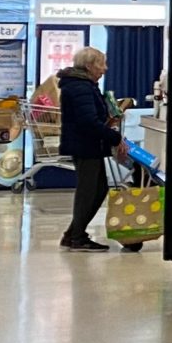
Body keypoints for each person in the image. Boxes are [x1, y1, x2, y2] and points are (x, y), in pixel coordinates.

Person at [56, 49, 126, 251]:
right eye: (101, 64)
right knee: (89, 191)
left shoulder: (83, 85)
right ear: (89, 66)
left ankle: (72, 234)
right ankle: (77, 237)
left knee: (98, 188)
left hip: (87, 145)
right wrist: (115, 137)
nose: (105, 68)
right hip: (85, 145)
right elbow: (88, 121)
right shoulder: (81, 87)